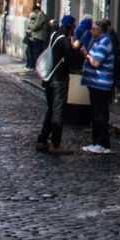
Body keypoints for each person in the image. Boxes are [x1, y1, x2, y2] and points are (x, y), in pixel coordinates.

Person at [37, 15, 77, 155]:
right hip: (59, 79)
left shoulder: (54, 35)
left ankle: (42, 140)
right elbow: (72, 60)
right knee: (58, 111)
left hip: (48, 78)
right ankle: (55, 143)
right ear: (71, 27)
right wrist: (76, 48)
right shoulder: (65, 40)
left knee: (50, 109)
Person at [80, 21, 117, 153]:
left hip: (100, 84)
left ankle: (103, 143)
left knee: (100, 114)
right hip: (95, 83)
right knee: (96, 113)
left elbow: (96, 63)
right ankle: (96, 142)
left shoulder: (103, 43)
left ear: (98, 30)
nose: (91, 31)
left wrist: (86, 54)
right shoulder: (99, 41)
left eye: (93, 29)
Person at [24, 3, 51, 74]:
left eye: (34, 11)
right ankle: (34, 66)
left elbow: (36, 26)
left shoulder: (41, 15)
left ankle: (37, 66)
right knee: (34, 52)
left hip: (39, 37)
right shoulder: (39, 15)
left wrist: (31, 27)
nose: (34, 13)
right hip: (37, 36)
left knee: (37, 52)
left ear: (37, 10)